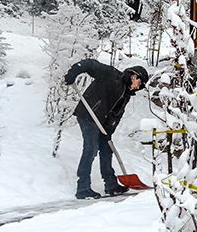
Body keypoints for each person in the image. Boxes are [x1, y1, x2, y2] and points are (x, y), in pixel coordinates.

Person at [64, 59, 149, 199]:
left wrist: (108, 133)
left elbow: (115, 116)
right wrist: (74, 71)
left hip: (102, 123)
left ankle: (111, 185)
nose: (138, 87)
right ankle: (83, 188)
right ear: (134, 76)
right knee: (91, 148)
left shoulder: (126, 95)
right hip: (88, 114)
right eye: (139, 83)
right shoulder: (111, 74)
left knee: (106, 148)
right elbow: (90, 64)